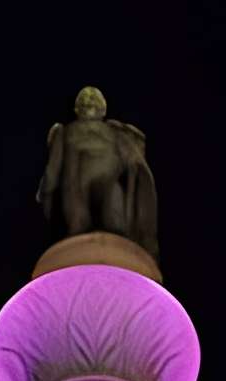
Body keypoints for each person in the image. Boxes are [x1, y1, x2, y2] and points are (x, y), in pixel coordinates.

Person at [37, 87, 158, 258]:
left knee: (115, 232)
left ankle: (114, 264)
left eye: (93, 100)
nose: (89, 103)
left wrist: (135, 161)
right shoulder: (65, 133)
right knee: (79, 234)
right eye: (85, 100)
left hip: (108, 186)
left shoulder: (116, 133)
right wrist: (46, 189)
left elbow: (131, 162)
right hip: (76, 188)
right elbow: (53, 170)